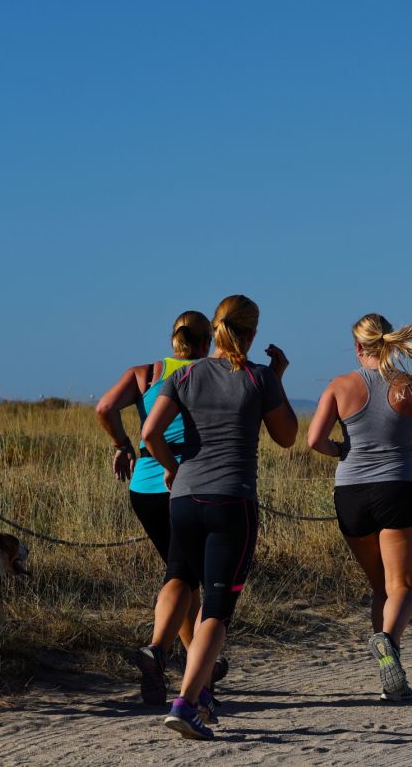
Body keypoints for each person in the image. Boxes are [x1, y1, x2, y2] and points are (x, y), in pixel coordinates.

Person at [141, 294, 297, 741]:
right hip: (233, 502)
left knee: (179, 578)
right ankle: (187, 703)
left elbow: (150, 432)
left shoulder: (186, 374)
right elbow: (286, 437)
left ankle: (177, 670)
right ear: (251, 334)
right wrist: (277, 379)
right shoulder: (258, 376)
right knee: (216, 611)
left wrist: (172, 468)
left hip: (185, 499)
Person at [307, 313, 412, 701]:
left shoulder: (339, 386)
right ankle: (387, 642)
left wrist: (340, 450)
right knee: (402, 585)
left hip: (351, 493)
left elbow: (314, 439)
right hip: (396, 490)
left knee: (379, 587)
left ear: (358, 348)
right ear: (390, 344)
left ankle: (393, 675)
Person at [94, 310, 214, 704]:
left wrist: (121, 444)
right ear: (205, 341)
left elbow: (104, 409)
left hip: (143, 486)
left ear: (172, 338)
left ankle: (190, 667)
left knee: (182, 575)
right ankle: (176, 663)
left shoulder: (144, 373)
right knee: (186, 576)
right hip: (186, 481)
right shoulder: (207, 372)